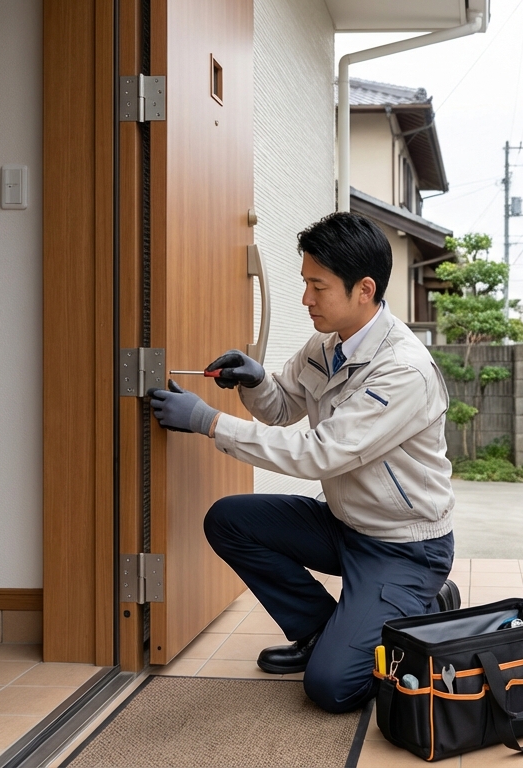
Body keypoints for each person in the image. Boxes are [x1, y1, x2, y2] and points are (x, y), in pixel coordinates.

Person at [147, 212, 459, 714]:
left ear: (364, 289)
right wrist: (254, 381)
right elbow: (282, 409)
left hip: (403, 548)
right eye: (305, 283)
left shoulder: (403, 370)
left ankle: (428, 602)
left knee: (332, 688)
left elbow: (320, 452)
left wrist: (209, 422)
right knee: (229, 521)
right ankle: (319, 631)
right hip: (344, 525)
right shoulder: (326, 345)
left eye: (318, 286)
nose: (306, 299)